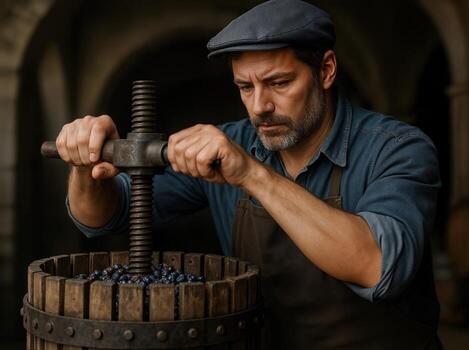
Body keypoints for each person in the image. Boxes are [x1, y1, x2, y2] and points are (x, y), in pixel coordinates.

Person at [57, 0, 442, 348]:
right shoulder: (232, 143)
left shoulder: (396, 148)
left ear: (326, 70)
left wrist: (252, 174)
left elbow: (377, 266)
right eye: (245, 86)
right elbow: (105, 216)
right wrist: (84, 165)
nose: (260, 106)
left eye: (279, 83)